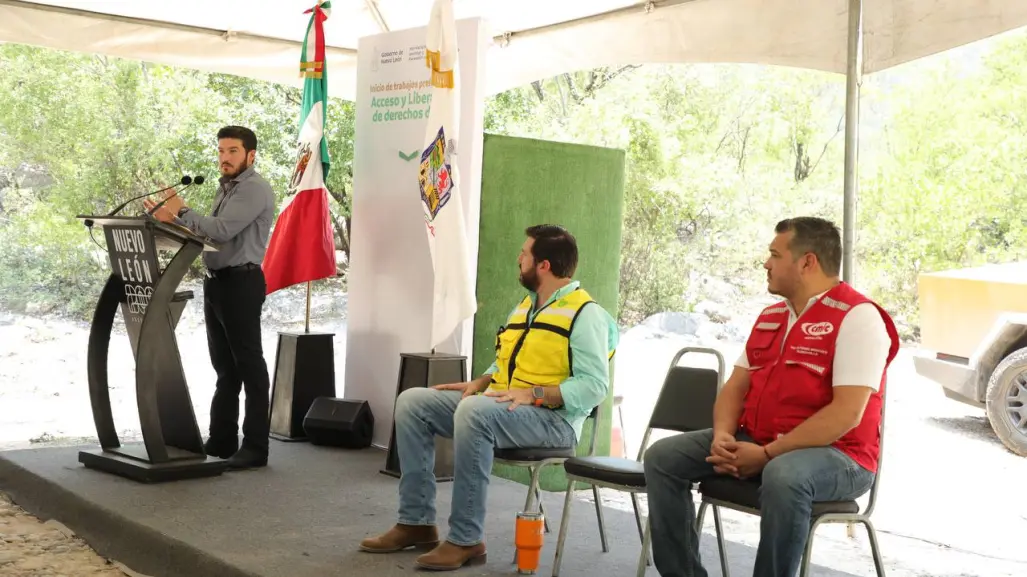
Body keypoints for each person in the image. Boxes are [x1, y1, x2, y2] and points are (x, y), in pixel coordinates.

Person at [643, 217, 899, 577]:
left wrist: (764, 455)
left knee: (784, 475)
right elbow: (736, 387)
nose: (766, 264)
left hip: (841, 456)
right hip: (761, 441)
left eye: (775, 255)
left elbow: (846, 414)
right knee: (662, 457)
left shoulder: (859, 318)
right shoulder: (772, 316)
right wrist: (723, 437)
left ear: (807, 262)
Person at [359, 224, 619, 571]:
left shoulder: (587, 315)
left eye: (524, 253)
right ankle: (417, 523)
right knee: (413, 402)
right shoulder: (525, 307)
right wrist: (480, 382)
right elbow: (506, 360)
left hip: (554, 422)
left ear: (543, 265)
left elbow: (594, 386)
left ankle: (466, 539)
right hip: (504, 406)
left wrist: (535, 394)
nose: (519, 258)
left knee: (474, 413)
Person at [144, 125, 276, 470]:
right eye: (220, 151)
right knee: (225, 368)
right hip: (217, 282)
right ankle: (222, 439)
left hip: (241, 283)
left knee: (249, 365)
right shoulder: (227, 188)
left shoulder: (254, 189)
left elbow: (220, 230)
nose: (224, 158)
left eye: (232, 151)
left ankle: (256, 447)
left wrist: (181, 210)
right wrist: (167, 219)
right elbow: (208, 236)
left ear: (251, 155)